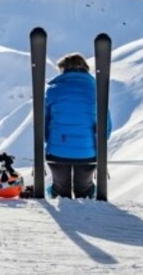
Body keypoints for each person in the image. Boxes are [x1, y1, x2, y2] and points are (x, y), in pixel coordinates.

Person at [45, 53, 111, 199]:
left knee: (60, 190)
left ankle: (61, 204)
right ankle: (85, 213)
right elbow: (105, 125)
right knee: (85, 189)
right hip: (88, 152)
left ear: (63, 69)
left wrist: (50, 141)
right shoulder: (98, 89)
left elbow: (45, 122)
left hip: (57, 151)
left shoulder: (53, 90)